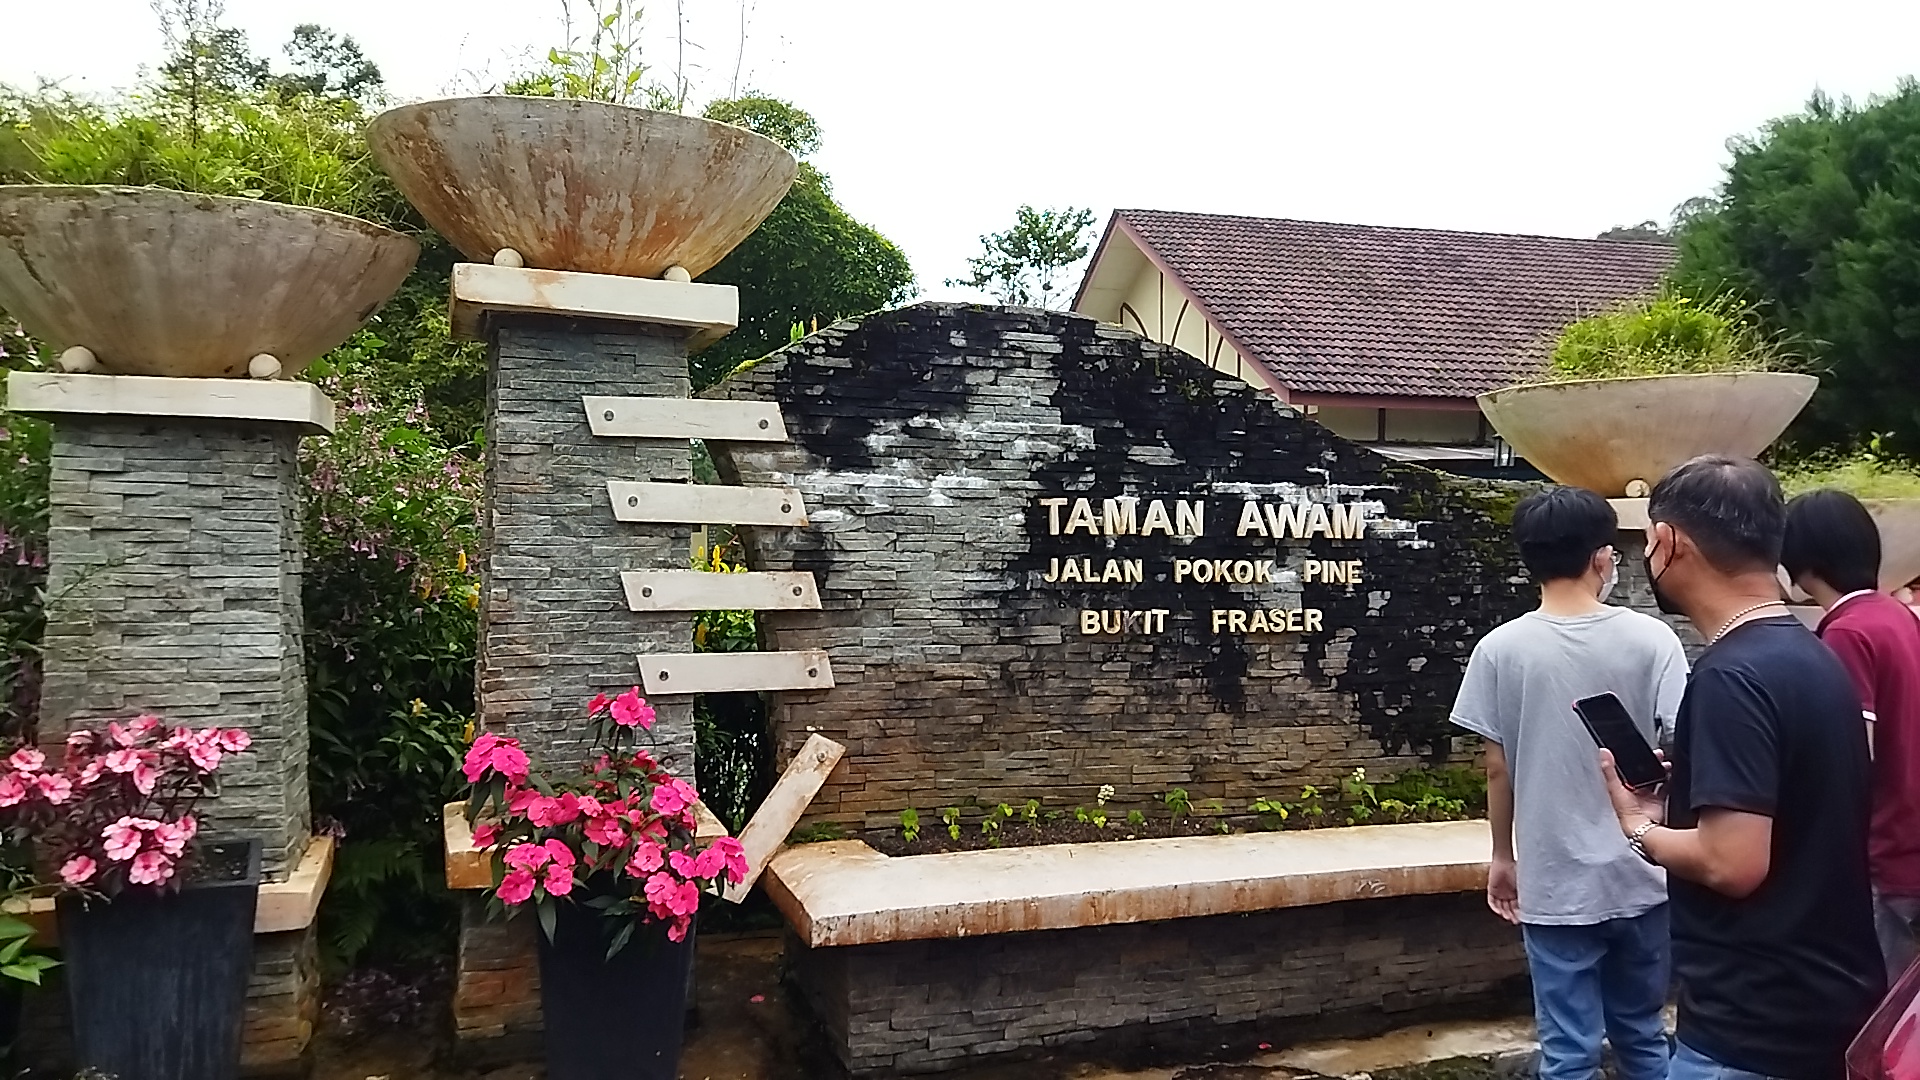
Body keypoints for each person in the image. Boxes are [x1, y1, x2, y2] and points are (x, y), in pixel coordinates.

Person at [1600, 456, 1885, 1080]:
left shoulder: (1730, 677)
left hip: (1750, 1030)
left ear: (1668, 542)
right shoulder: (1815, 657)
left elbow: (1732, 863)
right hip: (1827, 1009)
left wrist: (1640, 826)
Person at [1452, 486, 1687, 1080]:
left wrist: (1502, 856)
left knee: (1568, 1052)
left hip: (1554, 884)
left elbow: (1498, 767)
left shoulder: (1499, 650)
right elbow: (1683, 742)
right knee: (1643, 1035)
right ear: (1603, 557)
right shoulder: (1654, 639)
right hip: (1643, 873)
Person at [1783, 488, 1920, 980]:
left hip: (1884, 855)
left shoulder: (1846, 633)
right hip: (1910, 840)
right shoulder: (1896, 615)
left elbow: (1850, 756)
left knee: (1877, 1009)